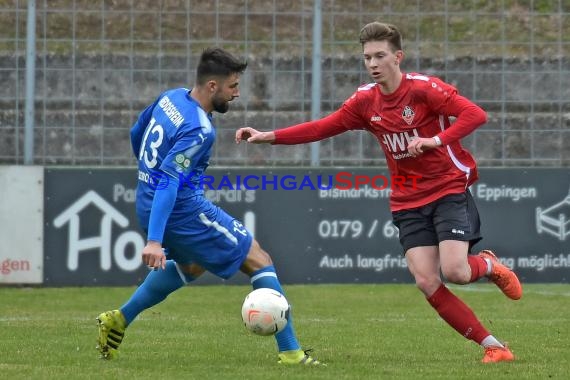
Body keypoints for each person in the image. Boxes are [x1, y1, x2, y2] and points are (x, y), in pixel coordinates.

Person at [235, 22, 522, 364]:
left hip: (447, 187)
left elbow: (475, 114)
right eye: (367, 57)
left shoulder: (424, 90)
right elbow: (323, 127)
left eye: (380, 56)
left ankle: (489, 265)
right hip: (406, 200)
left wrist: (434, 141)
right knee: (426, 280)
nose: (372, 63)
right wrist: (269, 136)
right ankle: (495, 347)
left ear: (397, 57)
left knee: (457, 272)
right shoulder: (365, 101)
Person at [96, 47, 322, 366]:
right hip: (181, 210)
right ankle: (291, 352)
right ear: (213, 86)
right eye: (233, 86)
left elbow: (137, 130)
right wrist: (154, 242)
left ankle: (119, 319)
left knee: (191, 266)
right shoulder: (198, 128)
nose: (237, 93)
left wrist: (149, 172)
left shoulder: (171, 97)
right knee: (258, 259)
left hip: (148, 201)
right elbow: (170, 181)